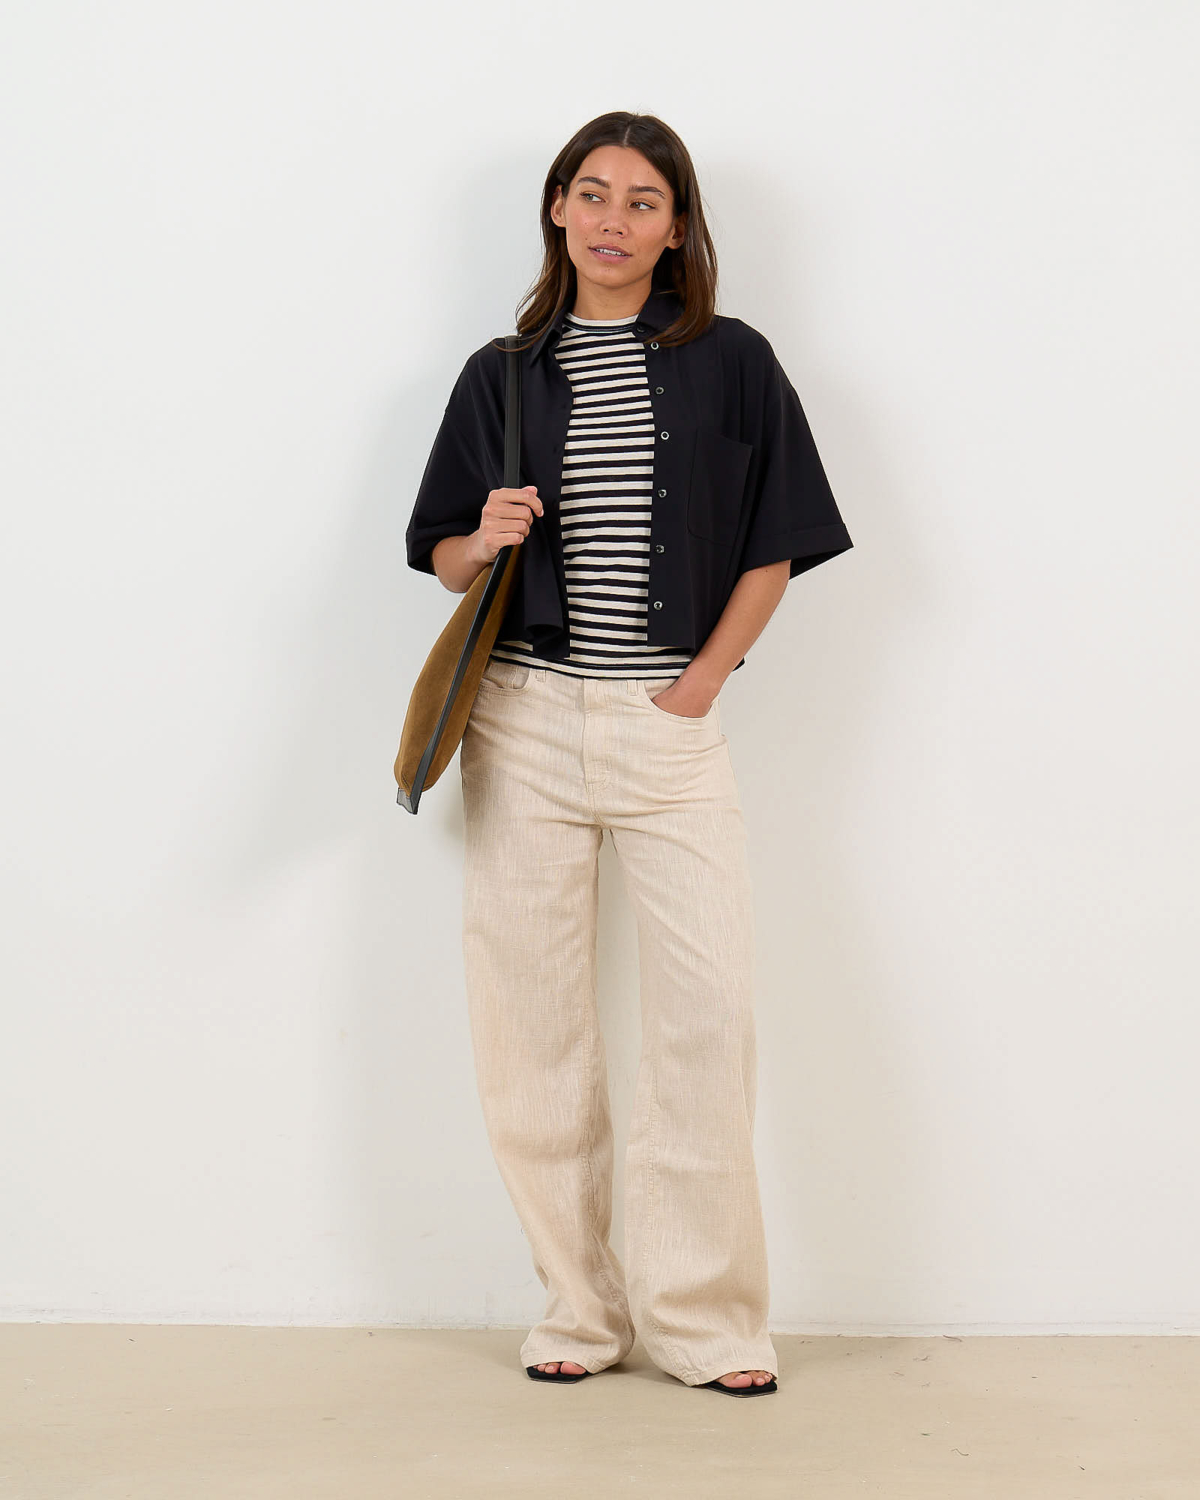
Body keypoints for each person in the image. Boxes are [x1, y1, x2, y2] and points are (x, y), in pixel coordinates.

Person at [405, 111, 853, 1397]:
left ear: (676, 226)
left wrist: (701, 685)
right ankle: (578, 1308)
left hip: (668, 725)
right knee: (533, 1025)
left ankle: (706, 1323)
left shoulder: (734, 361)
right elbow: (443, 557)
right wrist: (485, 539)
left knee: (707, 1018)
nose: (613, 219)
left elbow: (777, 540)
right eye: (592, 193)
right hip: (524, 720)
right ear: (558, 209)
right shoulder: (500, 374)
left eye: (642, 201)